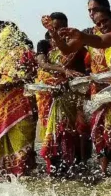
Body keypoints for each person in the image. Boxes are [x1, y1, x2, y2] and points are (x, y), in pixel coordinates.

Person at [36, 12, 86, 174]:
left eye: (61, 27)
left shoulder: (75, 46)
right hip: (48, 94)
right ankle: (55, 166)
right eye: (54, 28)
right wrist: (63, 70)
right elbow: (43, 64)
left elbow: (82, 70)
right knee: (52, 131)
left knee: (70, 130)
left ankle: (74, 164)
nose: (57, 31)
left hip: (69, 94)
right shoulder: (44, 44)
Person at [0, 24, 38, 179]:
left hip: (21, 103)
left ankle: (23, 175)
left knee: (21, 140)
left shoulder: (26, 52)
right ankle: (3, 175)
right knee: (2, 139)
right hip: (2, 104)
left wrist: (13, 83)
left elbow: (32, 76)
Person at [85, 8, 111, 175]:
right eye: (98, 24)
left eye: (105, 21)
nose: (102, 26)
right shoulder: (95, 44)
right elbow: (87, 65)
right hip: (100, 94)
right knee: (99, 132)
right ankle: (104, 171)